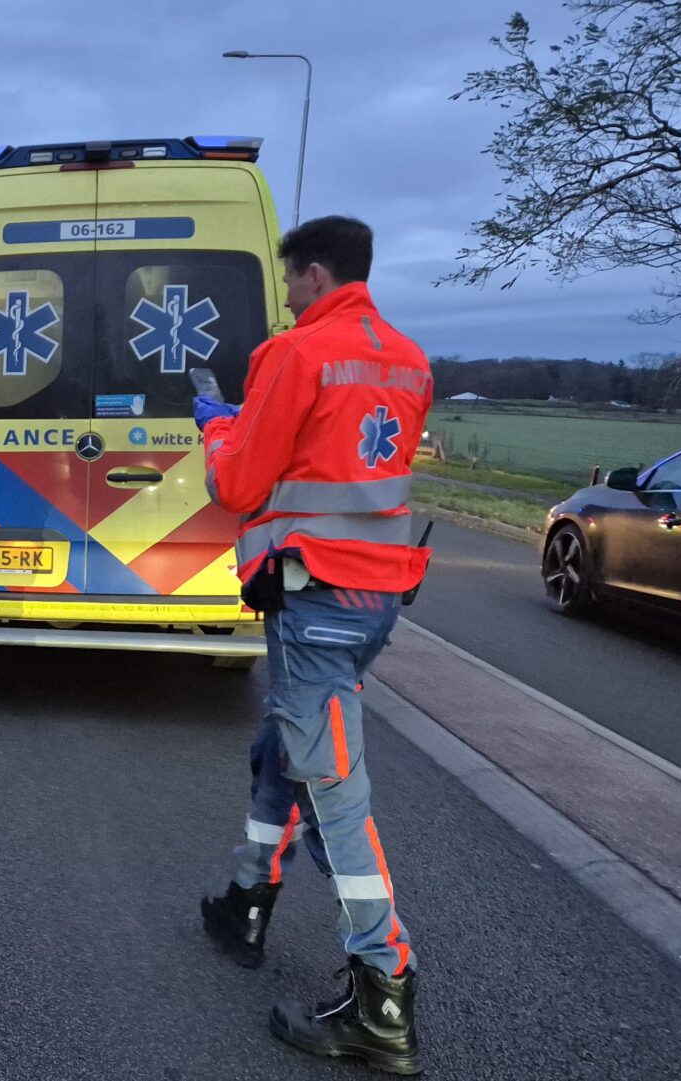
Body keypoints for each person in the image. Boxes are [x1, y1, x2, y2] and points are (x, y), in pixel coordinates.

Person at [193, 216, 434, 1075]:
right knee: (283, 749)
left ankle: (383, 985)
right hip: (376, 598)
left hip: (313, 595)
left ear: (317, 272)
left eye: (291, 280)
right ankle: (248, 899)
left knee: (332, 785)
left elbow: (239, 484)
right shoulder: (407, 358)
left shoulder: (298, 354)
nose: (286, 295)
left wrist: (219, 425)